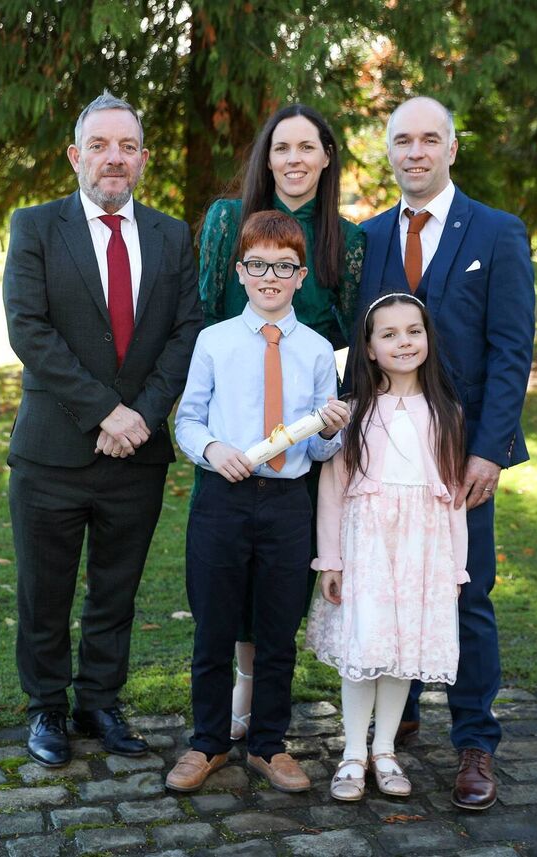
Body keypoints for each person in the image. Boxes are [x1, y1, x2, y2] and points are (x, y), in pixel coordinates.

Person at [3, 91, 203, 768]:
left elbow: (186, 332)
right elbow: (29, 329)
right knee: (45, 592)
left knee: (116, 591)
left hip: (137, 454)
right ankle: (47, 708)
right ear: (75, 156)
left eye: (126, 146)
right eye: (99, 145)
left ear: (143, 158)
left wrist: (142, 415)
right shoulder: (35, 226)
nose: (113, 158)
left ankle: (100, 702)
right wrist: (104, 412)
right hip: (52, 452)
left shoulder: (171, 235)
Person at [357, 96, 536, 810]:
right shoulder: (369, 238)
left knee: (466, 591)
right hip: (384, 451)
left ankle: (475, 741)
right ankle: (395, 716)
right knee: (388, 582)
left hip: (463, 453)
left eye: (429, 139)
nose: (416, 152)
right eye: (403, 140)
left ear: (452, 149)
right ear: (389, 151)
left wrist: (489, 450)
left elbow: (511, 348)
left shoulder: (497, 232)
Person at [166, 211, 351, 794]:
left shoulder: (318, 351)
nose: (270, 277)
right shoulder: (214, 341)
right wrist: (212, 449)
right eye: (258, 265)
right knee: (213, 627)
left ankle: (269, 745)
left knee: (277, 630)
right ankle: (208, 741)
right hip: (222, 499)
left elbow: (321, 447)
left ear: (301, 277)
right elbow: (188, 420)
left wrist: (330, 430)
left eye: (284, 267)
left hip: (287, 505)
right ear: (240, 272)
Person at [197, 103, 364, 742]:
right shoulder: (227, 221)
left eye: (307, 147)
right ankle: (235, 693)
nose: (294, 159)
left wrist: (328, 417)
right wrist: (212, 433)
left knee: (281, 579)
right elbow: (205, 311)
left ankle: (265, 711)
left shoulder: (347, 242)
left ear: (326, 158)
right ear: (266, 159)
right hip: (231, 436)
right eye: (281, 148)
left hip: (299, 432)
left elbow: (349, 333)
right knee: (226, 578)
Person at [306, 292, 469, 802]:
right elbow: (333, 489)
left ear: (428, 339)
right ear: (370, 348)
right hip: (367, 547)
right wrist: (330, 560)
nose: (404, 342)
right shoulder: (353, 413)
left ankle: (384, 750)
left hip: (424, 548)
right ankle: (353, 752)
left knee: (401, 652)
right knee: (367, 644)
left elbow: (454, 498)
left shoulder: (447, 412)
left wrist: (457, 568)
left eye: (414, 331)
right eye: (389, 334)